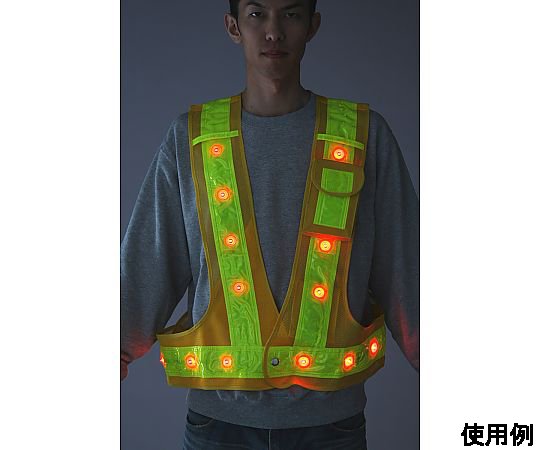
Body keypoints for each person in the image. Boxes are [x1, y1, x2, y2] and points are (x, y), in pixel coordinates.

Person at [121, 0, 419, 448]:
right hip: (218, 426)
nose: (273, 31)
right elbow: (148, 263)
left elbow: (406, 269)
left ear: (313, 25)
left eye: (291, 14)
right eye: (257, 14)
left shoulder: (363, 136)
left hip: (330, 428)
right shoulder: (191, 138)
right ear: (233, 26)